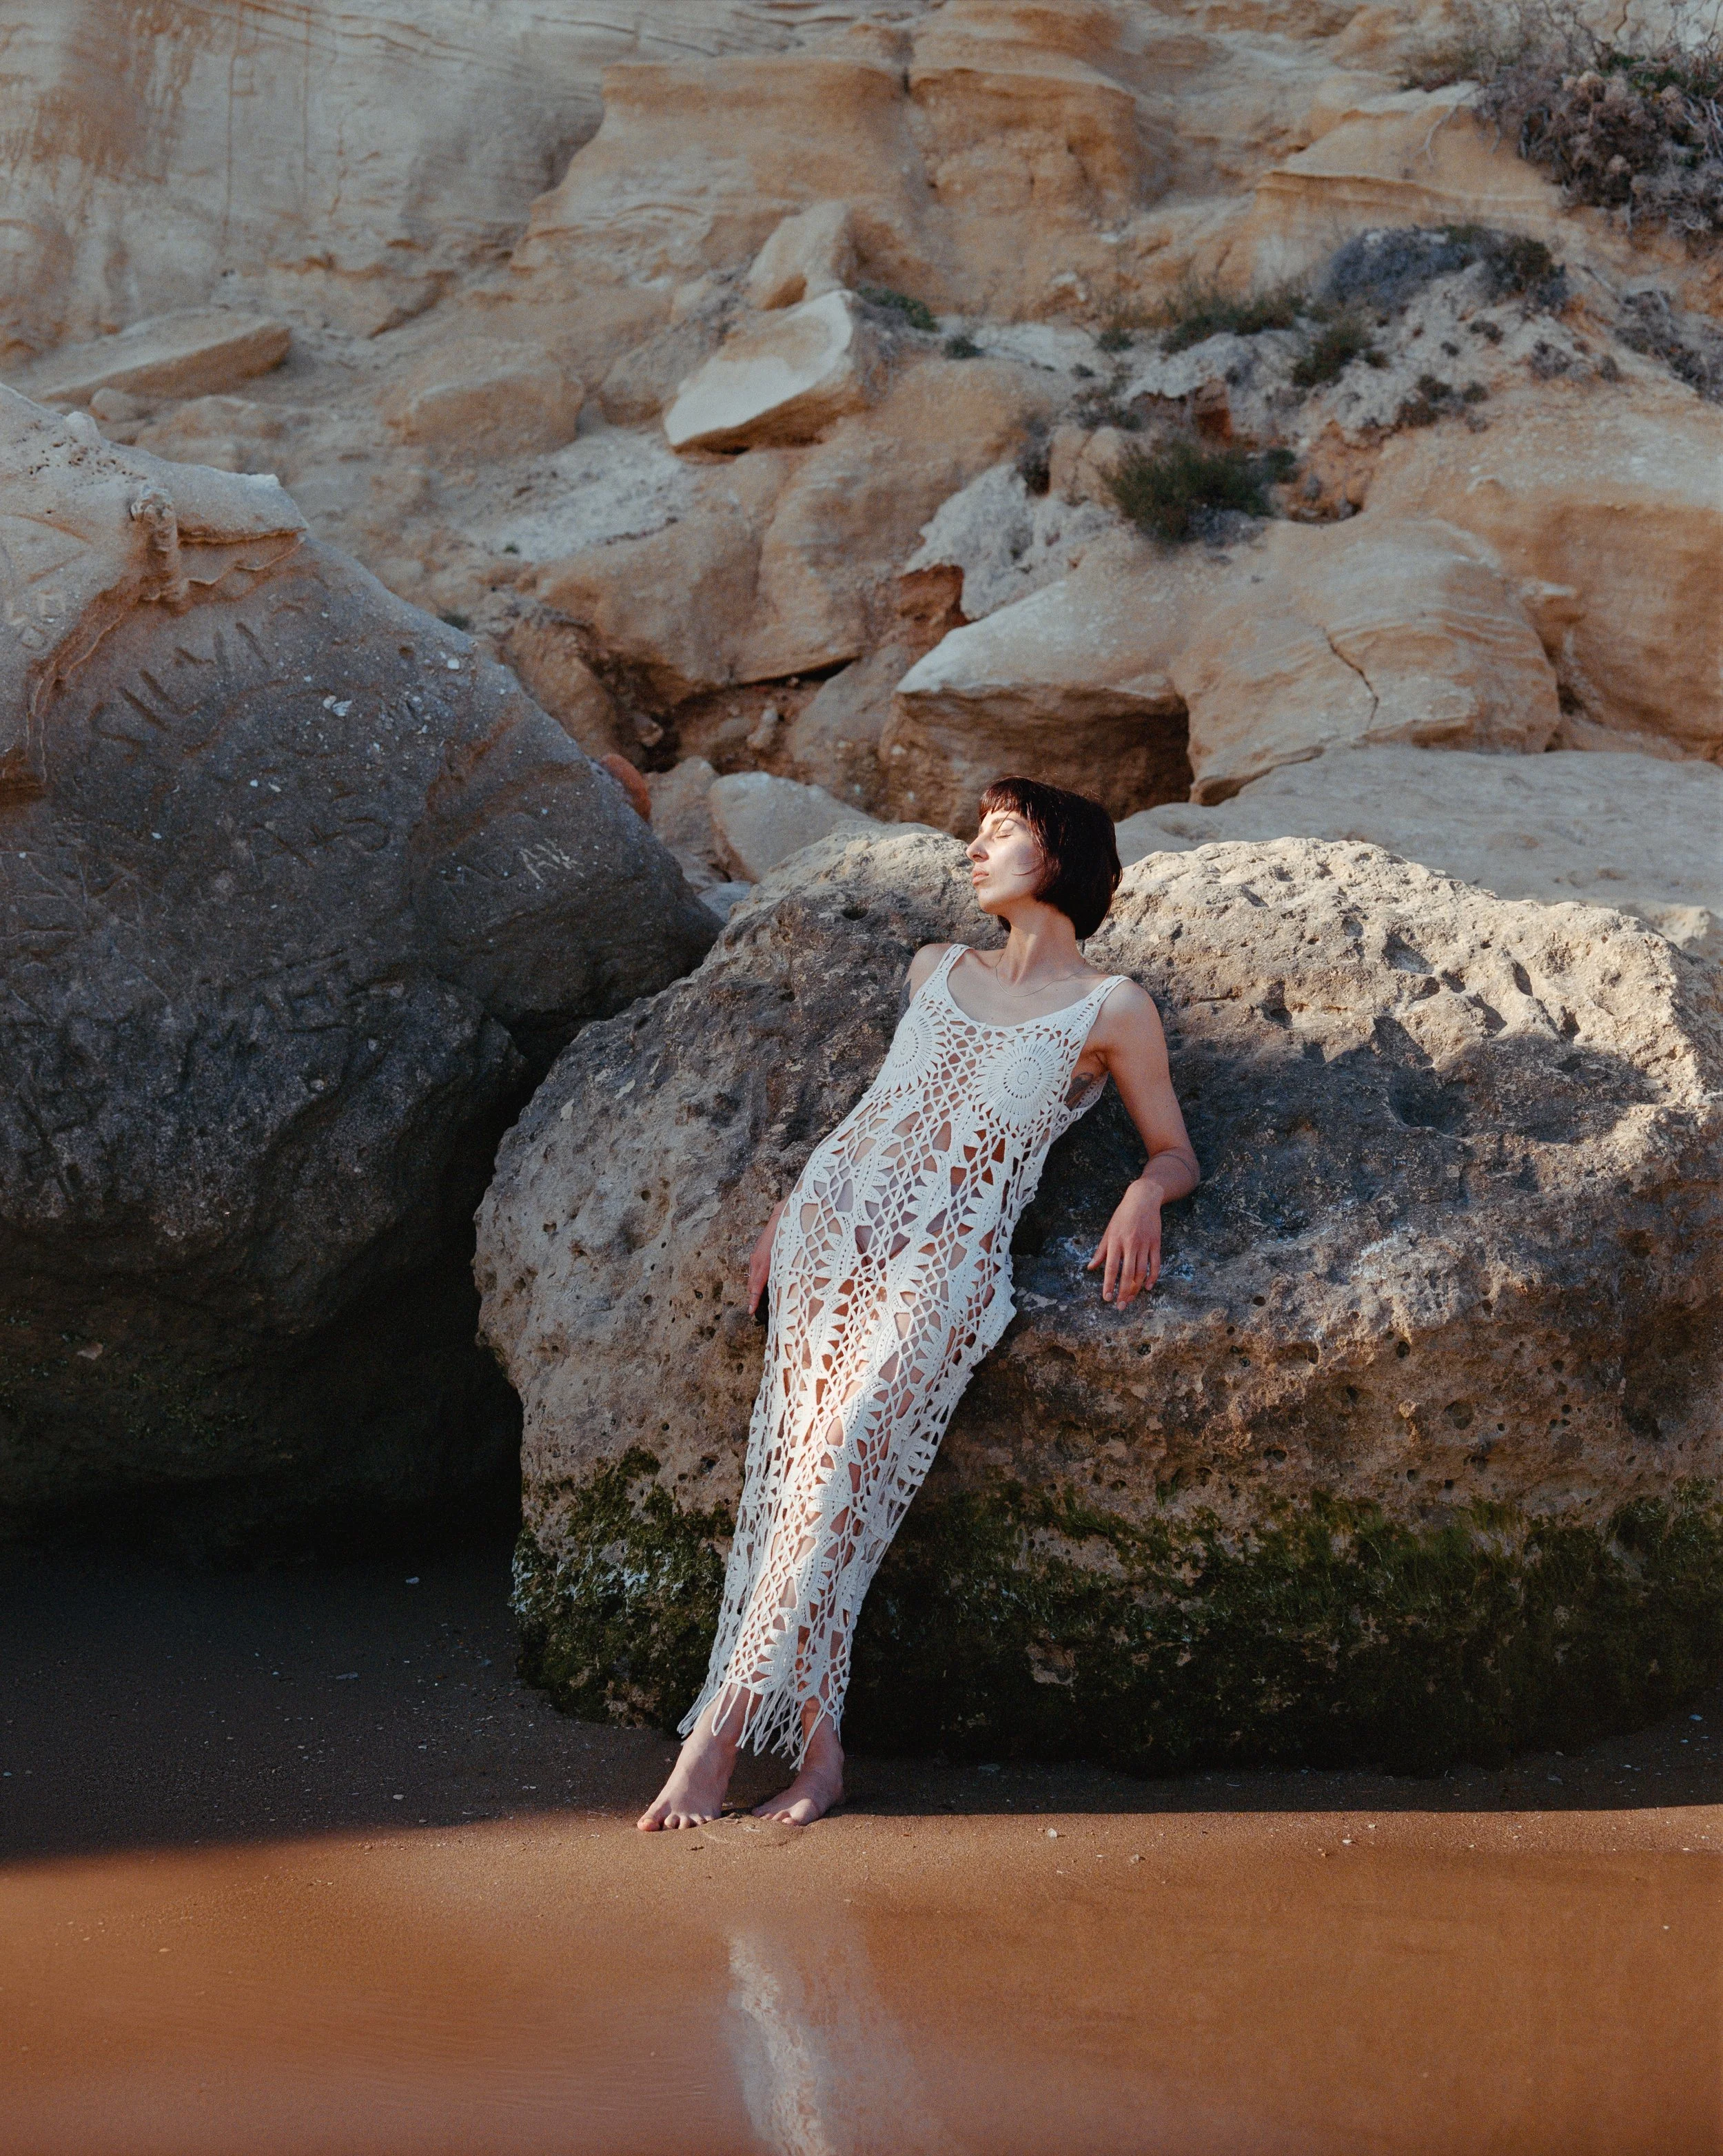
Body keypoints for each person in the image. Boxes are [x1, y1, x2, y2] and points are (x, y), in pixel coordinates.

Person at [638, 776, 1199, 1831]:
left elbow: (1175, 1151)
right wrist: (787, 1211)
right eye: (977, 835)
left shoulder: (1113, 1007)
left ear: (1063, 857)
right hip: (828, 1241)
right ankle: (819, 1760)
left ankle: (715, 1737)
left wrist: (1142, 1196)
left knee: (840, 1466)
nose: (974, 851)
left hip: (942, 1264)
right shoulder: (932, 969)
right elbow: (876, 1112)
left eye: (1003, 835)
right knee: (804, 1484)